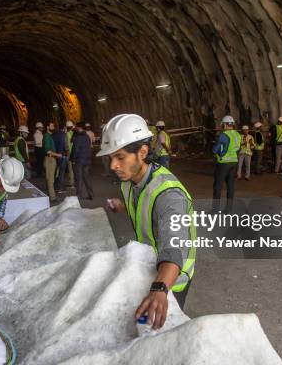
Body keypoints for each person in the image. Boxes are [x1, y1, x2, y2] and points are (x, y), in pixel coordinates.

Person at [99, 114, 196, 327]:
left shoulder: (169, 195)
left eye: (120, 157)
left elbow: (174, 248)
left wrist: (160, 290)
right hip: (150, 265)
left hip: (172, 276)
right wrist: (121, 205)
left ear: (142, 152)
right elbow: (141, 203)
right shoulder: (129, 182)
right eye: (110, 158)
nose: (113, 165)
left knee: (159, 330)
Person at [212, 115, 241, 212]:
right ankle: (229, 209)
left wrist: (215, 150)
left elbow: (216, 150)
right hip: (234, 162)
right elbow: (238, 149)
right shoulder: (237, 134)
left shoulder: (224, 135)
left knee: (218, 186)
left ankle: (215, 210)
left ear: (225, 125)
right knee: (230, 186)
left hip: (224, 162)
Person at [71, 122, 94, 200]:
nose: (76, 128)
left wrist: (73, 159)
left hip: (80, 160)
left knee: (79, 178)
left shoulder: (78, 137)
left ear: (79, 128)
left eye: (76, 127)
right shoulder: (87, 136)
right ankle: (91, 194)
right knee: (86, 177)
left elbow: (76, 149)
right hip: (87, 160)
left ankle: (79, 196)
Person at [43, 121, 62, 202]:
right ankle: (52, 197)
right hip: (49, 159)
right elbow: (47, 151)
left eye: (53, 125)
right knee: (50, 179)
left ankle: (50, 195)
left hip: (52, 158)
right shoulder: (47, 136)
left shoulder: (51, 136)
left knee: (51, 179)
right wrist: (58, 155)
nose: (53, 127)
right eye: (51, 125)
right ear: (47, 127)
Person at [53, 124, 69, 192]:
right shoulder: (64, 135)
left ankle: (55, 186)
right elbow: (66, 146)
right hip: (63, 155)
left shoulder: (53, 135)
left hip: (55, 155)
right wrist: (67, 153)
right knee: (61, 172)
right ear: (64, 128)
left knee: (56, 171)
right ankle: (60, 187)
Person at [65, 121, 75, 188]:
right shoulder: (74, 133)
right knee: (76, 168)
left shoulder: (65, 134)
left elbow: (66, 145)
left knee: (70, 169)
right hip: (75, 153)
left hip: (69, 153)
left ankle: (72, 183)